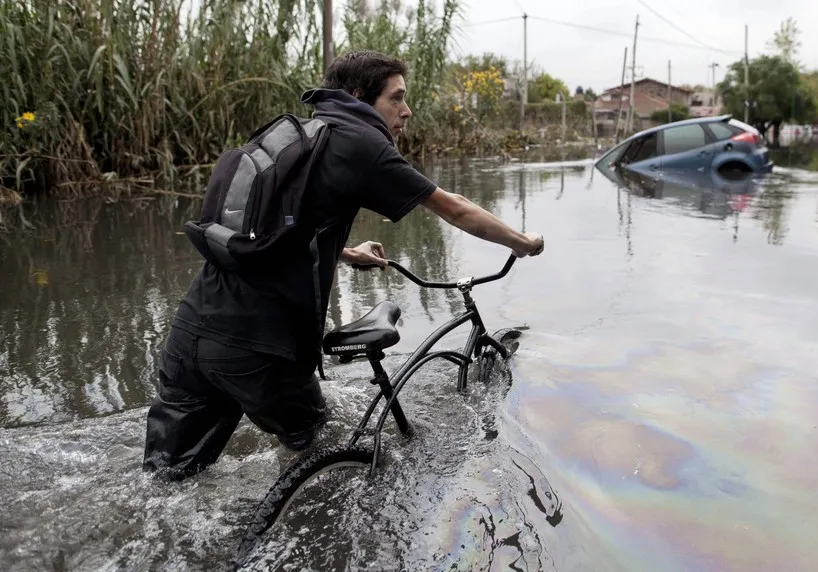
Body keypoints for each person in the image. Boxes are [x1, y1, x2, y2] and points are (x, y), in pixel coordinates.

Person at [142, 49, 544, 481]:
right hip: (259, 347)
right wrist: (521, 242)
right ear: (359, 96)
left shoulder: (305, 135)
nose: (406, 112)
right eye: (396, 98)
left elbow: (271, 232)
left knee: (167, 478)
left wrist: (347, 251)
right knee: (323, 451)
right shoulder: (361, 143)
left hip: (193, 329)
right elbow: (455, 209)